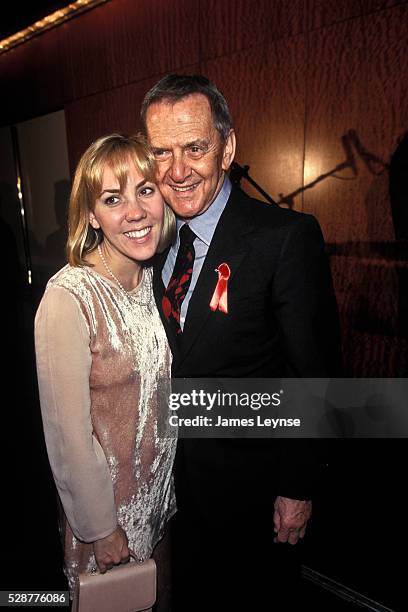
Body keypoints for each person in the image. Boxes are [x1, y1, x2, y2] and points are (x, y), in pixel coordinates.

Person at [141, 74, 342, 610]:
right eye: (161, 152)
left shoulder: (285, 238)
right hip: (166, 496)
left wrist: (298, 488)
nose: (176, 171)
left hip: (253, 498)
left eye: (194, 148)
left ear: (228, 148)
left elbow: (315, 379)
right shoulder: (147, 241)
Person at [34, 134, 177, 609]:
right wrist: (100, 528)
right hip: (107, 527)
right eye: (113, 199)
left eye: (145, 190)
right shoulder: (69, 295)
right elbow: (66, 431)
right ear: (92, 215)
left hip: (161, 510)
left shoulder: (156, 280)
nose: (134, 211)